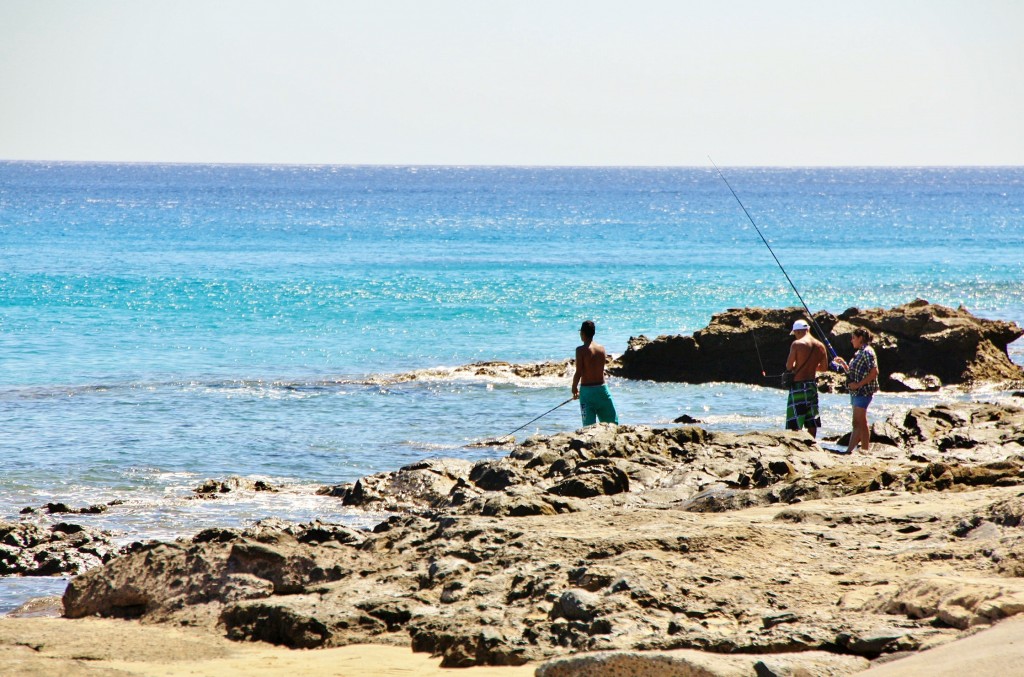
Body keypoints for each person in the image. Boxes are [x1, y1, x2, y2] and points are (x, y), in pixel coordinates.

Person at [832, 327, 880, 453]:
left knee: (857, 423)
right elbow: (854, 373)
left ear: (860, 338)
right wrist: (843, 364)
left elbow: (874, 372)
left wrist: (858, 385)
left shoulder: (867, 352)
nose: (851, 340)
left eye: (853, 338)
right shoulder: (860, 352)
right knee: (861, 423)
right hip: (856, 392)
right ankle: (864, 450)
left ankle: (849, 451)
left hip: (863, 392)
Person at [785, 319, 828, 438]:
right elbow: (824, 368)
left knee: (795, 422)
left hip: (798, 386)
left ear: (798, 331)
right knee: (812, 420)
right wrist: (812, 366)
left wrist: (797, 366)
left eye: (795, 333)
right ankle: (811, 444)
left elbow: (789, 366)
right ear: (808, 329)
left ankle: (795, 444)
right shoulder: (821, 345)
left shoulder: (797, 344)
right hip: (812, 386)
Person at [571, 320, 618, 427]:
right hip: (602, 390)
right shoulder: (601, 349)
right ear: (593, 333)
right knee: (611, 424)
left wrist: (574, 388)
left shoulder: (580, 350)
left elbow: (579, 372)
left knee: (588, 427)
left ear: (582, 333)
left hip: (587, 393)